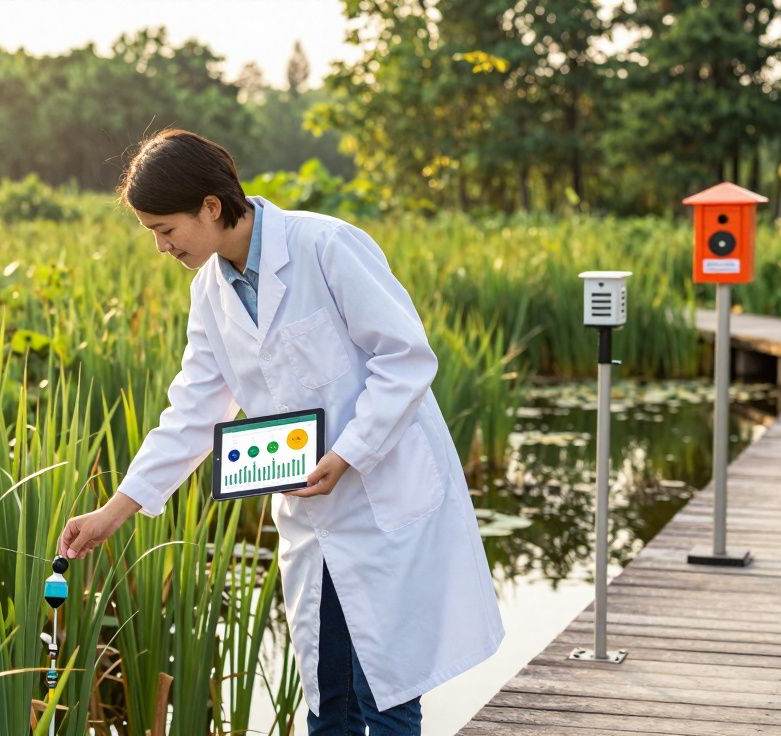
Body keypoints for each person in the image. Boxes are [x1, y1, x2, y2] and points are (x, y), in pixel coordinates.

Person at [59, 129, 504, 735]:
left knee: (388, 702)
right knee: (329, 708)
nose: (161, 246)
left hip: (382, 500)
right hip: (311, 521)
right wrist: (114, 512)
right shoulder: (210, 294)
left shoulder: (326, 245)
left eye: (165, 229)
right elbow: (192, 412)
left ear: (211, 206)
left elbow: (406, 358)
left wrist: (347, 454)